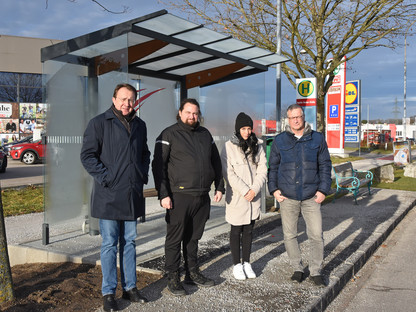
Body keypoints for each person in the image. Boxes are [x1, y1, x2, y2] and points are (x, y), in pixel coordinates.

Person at [80, 83, 151, 312]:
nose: (126, 104)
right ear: (113, 99)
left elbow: (145, 153)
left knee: (129, 242)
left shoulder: (140, 125)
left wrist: (141, 175)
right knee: (109, 244)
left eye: (130, 100)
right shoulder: (99, 123)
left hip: (131, 194)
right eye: (122, 99)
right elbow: (87, 156)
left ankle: (130, 288)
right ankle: (108, 292)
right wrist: (106, 178)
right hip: (108, 195)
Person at [152, 98, 225, 296]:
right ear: (180, 112)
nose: (192, 116)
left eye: (195, 113)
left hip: (201, 195)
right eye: (189, 112)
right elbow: (158, 166)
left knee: (194, 238)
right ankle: (173, 277)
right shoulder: (169, 134)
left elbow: (216, 162)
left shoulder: (205, 134)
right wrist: (164, 193)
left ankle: (192, 273)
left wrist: (219, 186)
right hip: (178, 195)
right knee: (175, 239)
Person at [267, 104, 332, 287]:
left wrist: (323, 190)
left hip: (312, 196)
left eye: (299, 116)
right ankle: (297, 268)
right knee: (289, 235)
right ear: (288, 119)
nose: (296, 120)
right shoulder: (280, 141)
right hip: (288, 196)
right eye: (292, 117)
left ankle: (316, 270)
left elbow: (325, 165)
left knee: (316, 235)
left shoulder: (317, 138)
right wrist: (274, 190)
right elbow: (273, 168)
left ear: (303, 117)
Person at [221, 112, 267, 280]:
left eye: (249, 128)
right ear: (237, 129)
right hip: (238, 197)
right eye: (243, 128)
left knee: (249, 230)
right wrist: (245, 190)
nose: (247, 132)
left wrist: (254, 190)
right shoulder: (228, 147)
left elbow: (263, 169)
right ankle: (236, 265)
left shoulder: (258, 146)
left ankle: (247, 262)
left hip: (253, 197)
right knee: (236, 230)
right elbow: (228, 173)